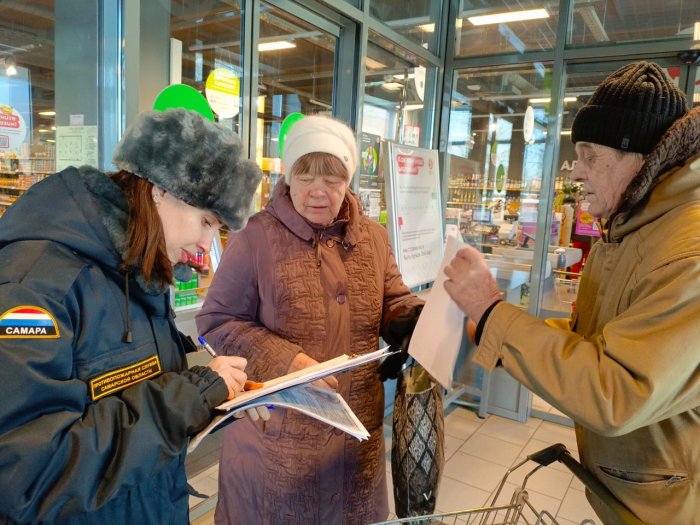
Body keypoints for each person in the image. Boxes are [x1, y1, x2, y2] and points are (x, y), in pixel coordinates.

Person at [443, 61, 700, 525]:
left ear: (638, 155)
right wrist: (498, 334)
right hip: (633, 491)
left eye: (589, 155)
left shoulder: (687, 254)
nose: (575, 171)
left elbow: (616, 391)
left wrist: (493, 312)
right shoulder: (631, 227)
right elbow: (595, 339)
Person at [0, 108, 261, 524]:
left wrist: (213, 398)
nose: (204, 245)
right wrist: (187, 398)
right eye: (207, 222)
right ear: (161, 189)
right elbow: (28, 474)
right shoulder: (35, 285)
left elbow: (137, 400)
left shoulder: (138, 271)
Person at [196, 114, 423, 524]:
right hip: (277, 446)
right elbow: (218, 321)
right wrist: (289, 363)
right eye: (305, 176)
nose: (318, 191)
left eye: (333, 178)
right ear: (288, 176)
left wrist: (412, 318)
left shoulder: (372, 237)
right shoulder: (255, 237)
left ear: (349, 179)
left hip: (356, 440)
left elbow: (392, 297)